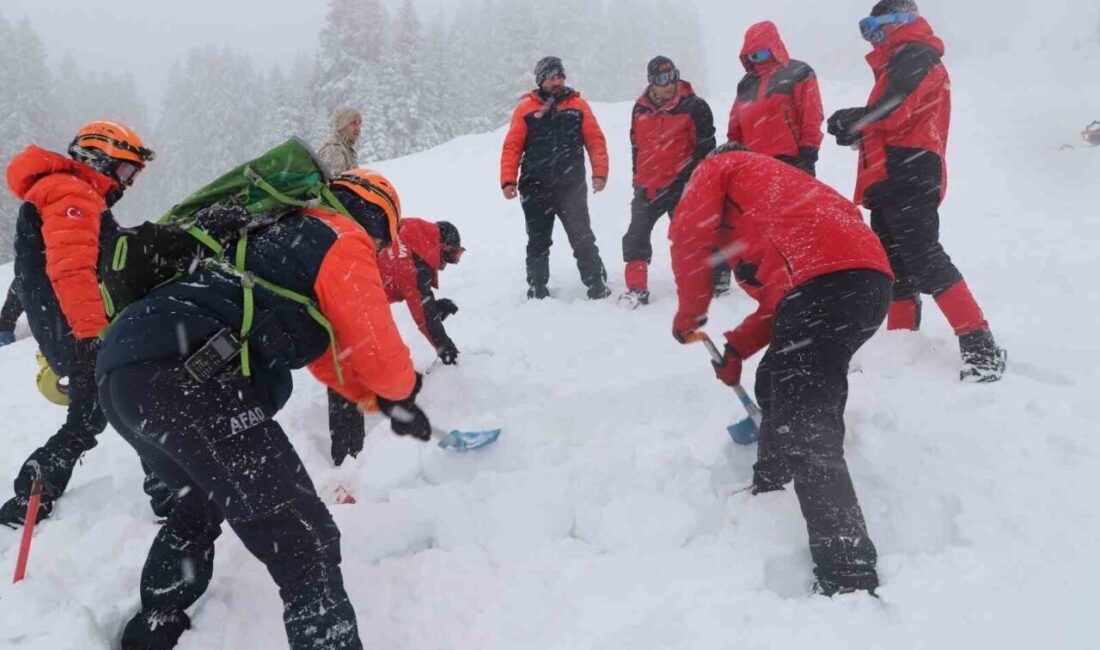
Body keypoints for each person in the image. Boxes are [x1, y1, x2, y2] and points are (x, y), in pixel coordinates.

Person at [96, 172, 432, 649]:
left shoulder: (268, 236)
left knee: (200, 500)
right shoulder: (338, 233)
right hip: (188, 375)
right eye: (382, 243)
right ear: (376, 218)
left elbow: (332, 357)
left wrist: (380, 401)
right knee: (301, 534)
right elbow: (378, 350)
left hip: (123, 376)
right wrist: (401, 389)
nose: (377, 254)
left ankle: (156, 621)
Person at [670, 142, 894, 597]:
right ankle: (772, 479)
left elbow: (688, 235)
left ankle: (848, 570)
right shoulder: (782, 197)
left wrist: (691, 314)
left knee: (808, 421)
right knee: (778, 378)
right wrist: (735, 350)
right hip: (866, 286)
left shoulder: (720, 166)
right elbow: (782, 304)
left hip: (824, 285)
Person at [827, 0, 1006, 382]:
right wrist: (856, 129)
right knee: (892, 262)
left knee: (922, 255)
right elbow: (889, 115)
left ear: (899, 22)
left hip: (909, 168)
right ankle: (902, 341)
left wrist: (855, 120)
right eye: (868, 31)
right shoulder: (898, 62)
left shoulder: (917, 55)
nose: (874, 38)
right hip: (889, 172)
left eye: (876, 28)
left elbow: (897, 108)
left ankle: (980, 344)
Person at [1, 121, 154, 527]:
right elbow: (72, 272)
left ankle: (36, 488)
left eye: (133, 175)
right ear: (98, 159)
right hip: (77, 330)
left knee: (96, 411)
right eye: (125, 172)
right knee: (133, 398)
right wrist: (91, 338)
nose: (128, 183)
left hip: (67, 328)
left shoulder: (68, 192)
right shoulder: (73, 193)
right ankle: (171, 490)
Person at [500, 56, 611, 300]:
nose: (558, 81)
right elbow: (512, 147)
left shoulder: (578, 106)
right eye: (552, 77)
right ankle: (537, 288)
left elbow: (595, 141)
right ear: (541, 80)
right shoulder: (526, 109)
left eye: (560, 76)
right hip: (535, 188)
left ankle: (597, 283)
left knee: (582, 238)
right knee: (538, 243)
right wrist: (508, 180)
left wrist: (600, 173)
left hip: (571, 188)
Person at [620, 56, 715, 307]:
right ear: (651, 82)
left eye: (673, 76)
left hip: (681, 185)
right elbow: (636, 146)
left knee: (688, 239)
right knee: (635, 237)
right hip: (647, 187)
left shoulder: (694, 107)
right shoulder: (639, 109)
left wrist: (691, 180)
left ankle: (695, 285)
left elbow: (706, 149)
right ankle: (637, 288)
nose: (669, 84)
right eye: (662, 79)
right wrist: (636, 178)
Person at [728, 21, 824, 177]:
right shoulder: (746, 83)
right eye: (753, 55)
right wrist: (734, 154)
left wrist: (808, 153)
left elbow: (811, 116)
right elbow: (735, 127)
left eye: (763, 53)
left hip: (790, 161)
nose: (758, 59)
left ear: (775, 47)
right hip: (752, 166)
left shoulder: (798, 72)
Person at [318, 106, 362, 174]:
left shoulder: (346, 149)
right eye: (353, 123)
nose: (358, 128)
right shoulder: (334, 150)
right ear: (342, 126)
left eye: (359, 123)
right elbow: (335, 182)